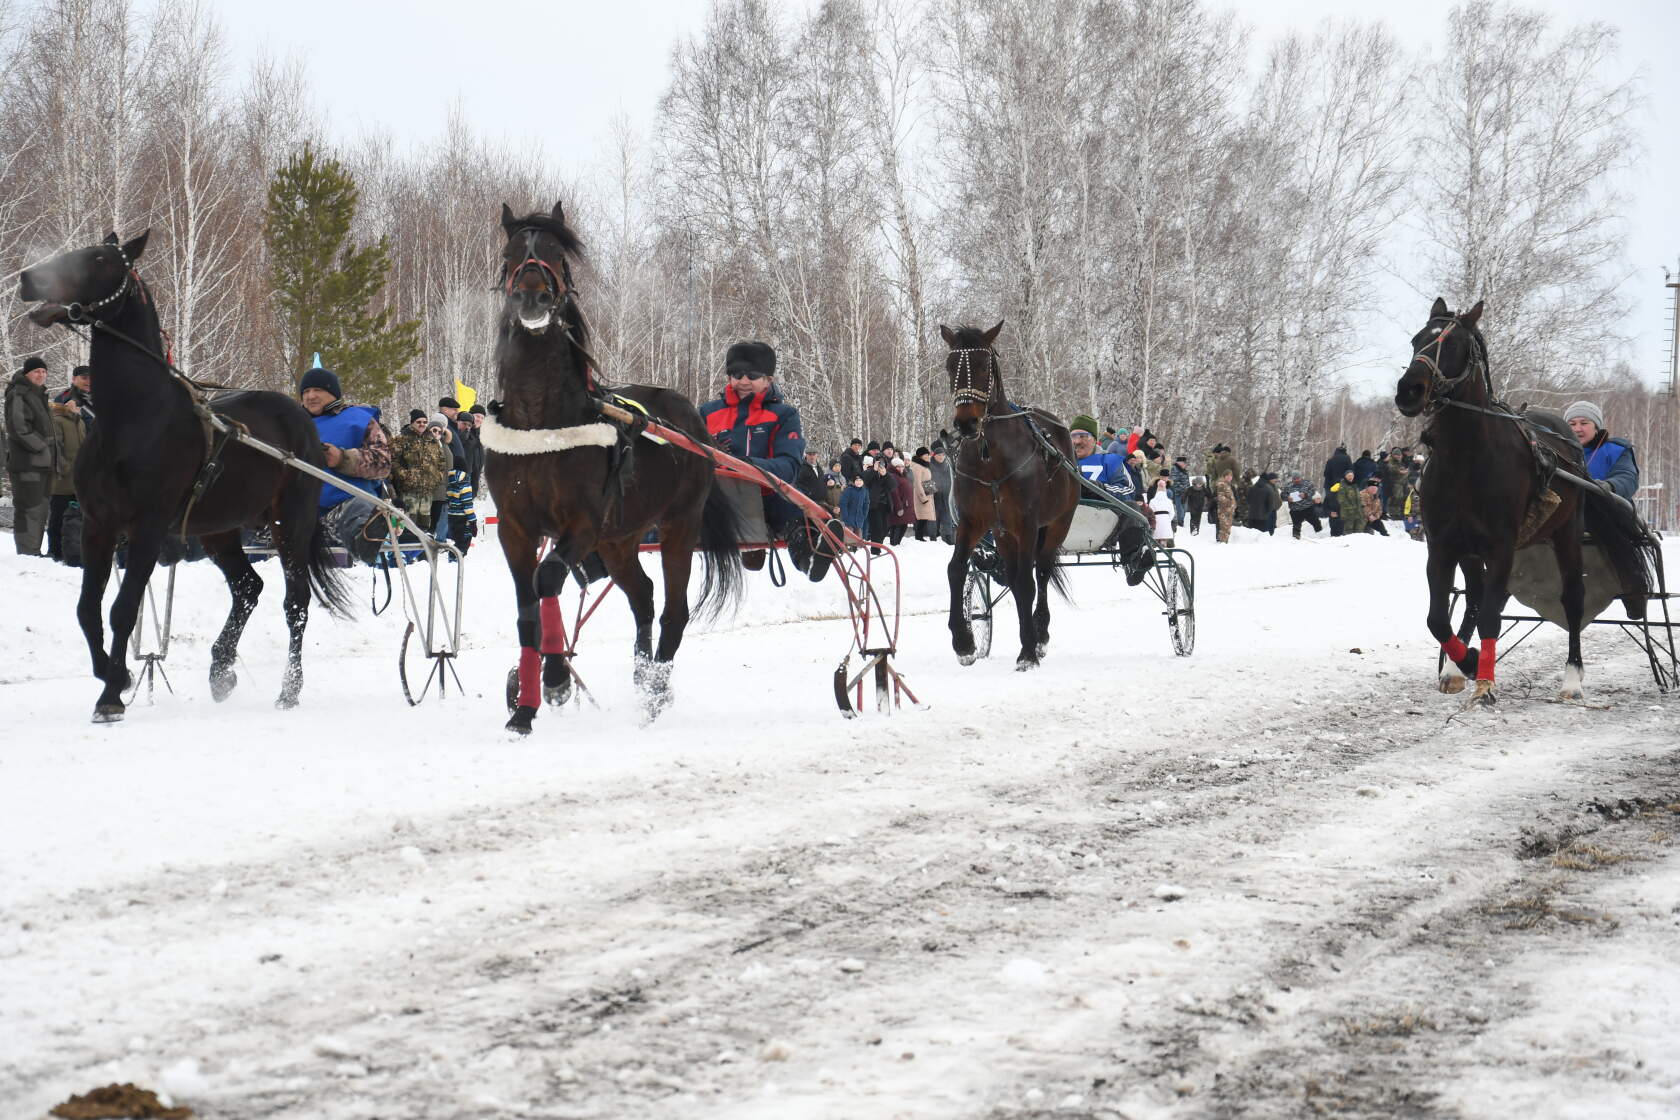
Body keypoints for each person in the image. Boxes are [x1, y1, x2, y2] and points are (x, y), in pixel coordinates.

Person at [698, 340, 807, 542]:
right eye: (737, 375)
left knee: (794, 503)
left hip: (766, 498)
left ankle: (807, 549)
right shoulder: (707, 413)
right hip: (717, 499)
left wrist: (748, 465)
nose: (744, 381)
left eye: (753, 376)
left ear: (768, 380)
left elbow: (789, 464)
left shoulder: (784, 415)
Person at [299, 363, 390, 563]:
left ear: (333, 393)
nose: (310, 396)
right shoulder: (292, 423)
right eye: (306, 391)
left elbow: (383, 462)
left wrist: (343, 459)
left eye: (318, 390)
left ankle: (366, 540)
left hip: (347, 501)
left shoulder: (359, 420)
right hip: (303, 506)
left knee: (358, 510)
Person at [4, 356, 60, 556]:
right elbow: (18, 428)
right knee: (29, 509)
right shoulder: (20, 393)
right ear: (27, 373)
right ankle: (28, 553)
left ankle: (33, 551)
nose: (41, 375)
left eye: (44, 372)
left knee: (40, 510)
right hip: (28, 463)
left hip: (43, 464)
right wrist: (42, 446)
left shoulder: (39, 395)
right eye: (37, 371)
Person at [47, 365, 93, 563]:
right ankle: (56, 550)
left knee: (86, 512)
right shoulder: (64, 400)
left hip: (92, 463)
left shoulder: (100, 399)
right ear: (74, 379)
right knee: (61, 510)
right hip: (66, 467)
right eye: (84, 377)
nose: (88, 381)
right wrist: (62, 465)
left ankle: (80, 550)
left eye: (91, 377)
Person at [1565, 401, 1639, 500]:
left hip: (1607, 509)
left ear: (1596, 428)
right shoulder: (1557, 451)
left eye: (1584, 423)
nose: (1577, 429)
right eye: (1572, 424)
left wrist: (1610, 486)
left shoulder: (1616, 450)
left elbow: (1627, 478)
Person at [391, 409, 450, 530]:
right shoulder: (402, 439)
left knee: (424, 525)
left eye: (424, 421)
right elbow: (392, 460)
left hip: (427, 491)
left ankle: (421, 549)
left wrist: (436, 477)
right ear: (412, 422)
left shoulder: (432, 440)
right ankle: (406, 547)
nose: (422, 424)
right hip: (408, 490)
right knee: (407, 524)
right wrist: (405, 475)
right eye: (419, 422)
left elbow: (441, 461)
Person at [1069, 415, 1142, 507]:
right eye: (1073, 436)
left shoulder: (1110, 461)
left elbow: (1128, 491)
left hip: (1104, 515)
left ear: (1094, 440)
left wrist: (1099, 489)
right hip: (1067, 514)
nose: (1077, 441)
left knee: (1133, 506)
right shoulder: (1062, 461)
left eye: (1083, 436)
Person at [908, 447, 937, 540]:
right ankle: (918, 537)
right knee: (921, 518)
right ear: (920, 456)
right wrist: (923, 498)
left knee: (923, 518)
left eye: (928, 455)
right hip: (921, 496)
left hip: (927, 494)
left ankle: (919, 537)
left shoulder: (924, 465)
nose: (928, 456)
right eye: (925, 455)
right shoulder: (917, 467)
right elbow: (917, 483)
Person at [887, 457, 916, 545]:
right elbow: (894, 493)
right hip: (900, 506)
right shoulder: (893, 476)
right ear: (893, 467)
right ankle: (894, 544)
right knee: (897, 526)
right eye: (898, 467)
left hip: (906, 506)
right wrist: (899, 507)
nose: (900, 469)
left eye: (902, 466)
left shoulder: (903, 475)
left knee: (903, 526)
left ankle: (897, 544)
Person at [929, 441, 954, 540]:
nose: (941, 457)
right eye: (939, 455)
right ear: (934, 455)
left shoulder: (948, 466)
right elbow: (926, 481)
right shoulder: (929, 466)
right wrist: (933, 494)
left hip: (946, 499)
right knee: (933, 523)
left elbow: (952, 481)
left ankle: (948, 538)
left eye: (943, 455)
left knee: (948, 521)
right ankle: (933, 538)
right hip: (934, 499)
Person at [1331, 469, 1362, 535]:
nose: (1351, 477)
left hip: (1356, 513)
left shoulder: (1355, 485)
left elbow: (1358, 499)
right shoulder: (1342, 486)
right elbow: (1341, 500)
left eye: (1352, 475)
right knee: (1348, 531)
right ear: (1345, 476)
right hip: (1347, 513)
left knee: (1357, 531)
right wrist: (1352, 507)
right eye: (1349, 475)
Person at [1147, 475, 1175, 547]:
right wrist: (1168, 519)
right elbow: (1172, 513)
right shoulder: (1168, 501)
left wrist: (1152, 520)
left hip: (1156, 520)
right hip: (1166, 520)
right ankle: (1164, 543)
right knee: (1166, 534)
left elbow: (1150, 512)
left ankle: (1155, 544)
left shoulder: (1152, 501)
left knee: (1155, 535)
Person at [840, 472, 869, 539]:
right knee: (849, 538)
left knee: (858, 539)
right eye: (857, 480)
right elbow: (843, 503)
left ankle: (856, 548)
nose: (859, 482)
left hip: (859, 519)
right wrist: (845, 516)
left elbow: (866, 503)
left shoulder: (865, 491)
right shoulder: (849, 490)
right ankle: (848, 548)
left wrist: (864, 514)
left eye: (860, 480)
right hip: (848, 518)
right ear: (853, 481)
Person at [1213, 469, 1236, 543]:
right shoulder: (1222, 484)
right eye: (1228, 476)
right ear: (1224, 476)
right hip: (1224, 511)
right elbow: (1220, 497)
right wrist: (1230, 502)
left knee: (1227, 530)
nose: (1230, 477)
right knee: (1224, 529)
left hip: (1229, 511)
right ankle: (1222, 544)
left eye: (1231, 476)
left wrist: (1234, 504)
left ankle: (1224, 544)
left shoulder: (1228, 485)